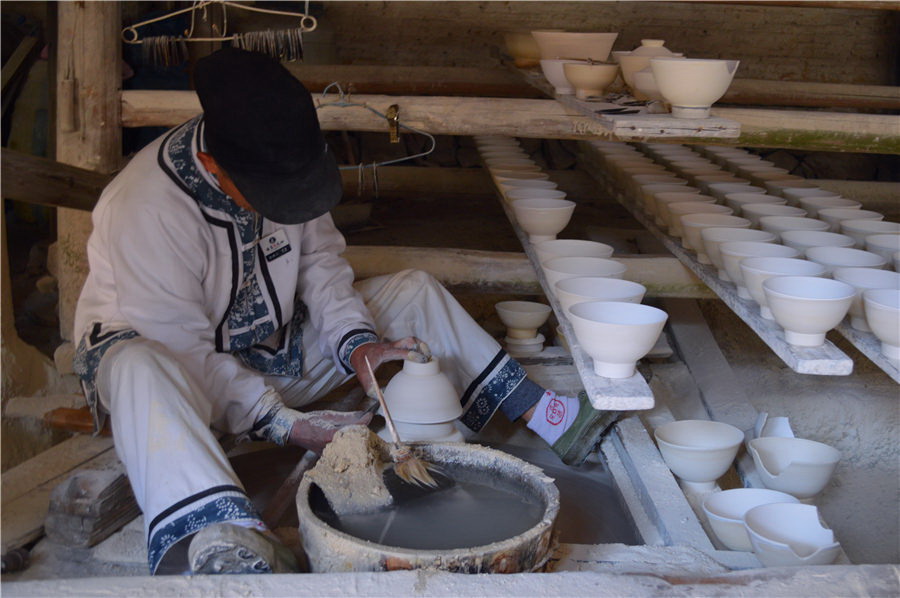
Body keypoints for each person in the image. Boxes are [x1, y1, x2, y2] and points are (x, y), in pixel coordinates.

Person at [72, 47, 610, 575]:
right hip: (168, 376)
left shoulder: (283, 159)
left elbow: (322, 266)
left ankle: (546, 414)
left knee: (414, 290)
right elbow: (181, 347)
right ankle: (230, 536)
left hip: (267, 350)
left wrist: (357, 344)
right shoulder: (144, 206)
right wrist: (284, 424)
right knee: (143, 366)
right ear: (212, 165)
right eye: (267, 197)